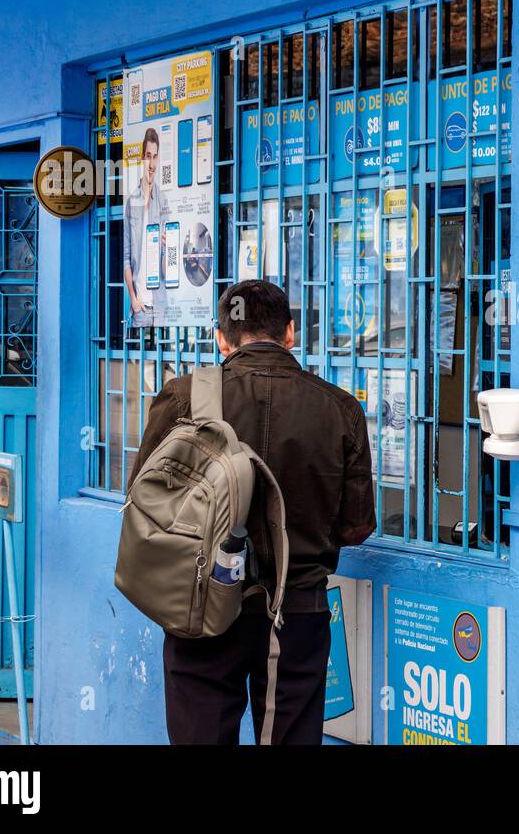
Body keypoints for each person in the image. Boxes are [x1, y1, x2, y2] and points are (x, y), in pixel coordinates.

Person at [130, 279, 376, 744]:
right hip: (296, 610)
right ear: (290, 332)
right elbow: (356, 526)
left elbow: (142, 501)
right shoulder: (340, 409)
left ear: (221, 338)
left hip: (198, 605)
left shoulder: (184, 397)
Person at [122, 126, 167, 327]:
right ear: (142, 158)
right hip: (139, 306)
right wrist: (133, 298)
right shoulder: (132, 202)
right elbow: (126, 258)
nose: (151, 163)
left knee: (163, 357)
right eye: (148, 156)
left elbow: (169, 262)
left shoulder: (163, 200)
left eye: (155, 157)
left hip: (160, 303)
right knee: (140, 357)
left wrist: (167, 248)